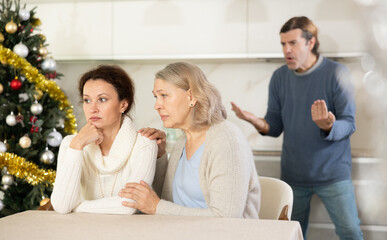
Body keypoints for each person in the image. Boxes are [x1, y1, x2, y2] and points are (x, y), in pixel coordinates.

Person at [231, 16, 363, 239]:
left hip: (333, 174)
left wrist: (329, 126)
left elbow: (349, 124)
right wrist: (256, 122)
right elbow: (274, 126)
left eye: (293, 43)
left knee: (350, 231)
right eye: (283, 44)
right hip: (294, 176)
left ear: (310, 43)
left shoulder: (336, 74)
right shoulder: (279, 78)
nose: (286, 50)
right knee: (289, 234)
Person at [118, 62, 261, 218]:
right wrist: (160, 155)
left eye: (164, 95)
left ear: (191, 97)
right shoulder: (183, 141)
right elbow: (168, 199)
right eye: (156, 97)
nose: (157, 105)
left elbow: (226, 217)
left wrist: (157, 207)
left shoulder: (227, 139)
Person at [51, 65, 157, 214]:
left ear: (123, 104)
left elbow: (130, 205)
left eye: (102, 99)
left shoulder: (145, 144)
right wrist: (77, 145)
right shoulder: (72, 144)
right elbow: (62, 206)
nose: (92, 108)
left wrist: (77, 207)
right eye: (87, 100)